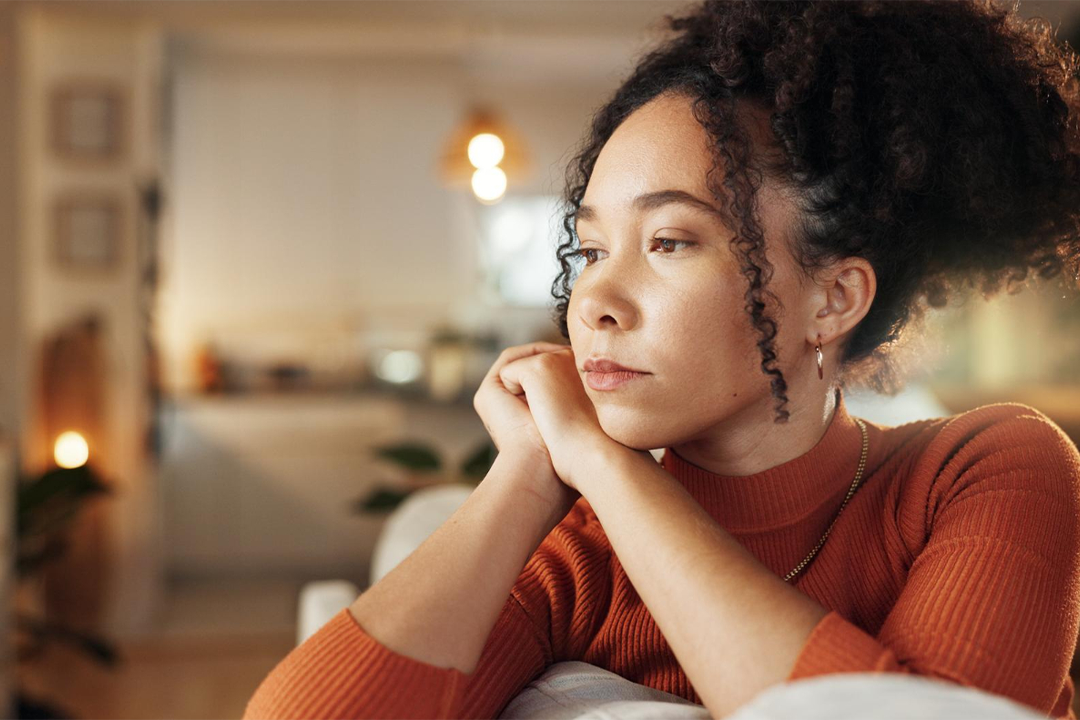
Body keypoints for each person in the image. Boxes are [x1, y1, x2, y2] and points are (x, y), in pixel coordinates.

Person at [244, 1, 1080, 718]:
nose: (595, 301)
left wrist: (607, 472)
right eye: (591, 249)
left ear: (832, 300)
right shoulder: (579, 558)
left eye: (669, 240)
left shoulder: (988, 469)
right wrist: (531, 473)